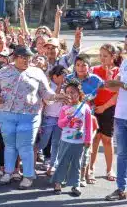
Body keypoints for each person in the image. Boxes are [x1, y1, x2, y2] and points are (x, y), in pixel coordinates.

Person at [0, 45, 68, 189]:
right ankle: (8, 172)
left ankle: (28, 175)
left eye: (29, 58)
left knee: (25, 146)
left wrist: (58, 96)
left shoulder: (37, 72)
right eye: (23, 57)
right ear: (15, 57)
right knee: (9, 145)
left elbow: (46, 93)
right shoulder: (4, 71)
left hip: (29, 115)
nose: (27, 60)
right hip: (6, 114)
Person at [66, 53, 104, 185]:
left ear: (89, 67)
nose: (81, 68)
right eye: (78, 65)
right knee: (71, 144)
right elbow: (65, 95)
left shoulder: (95, 79)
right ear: (74, 66)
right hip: (72, 117)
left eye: (84, 65)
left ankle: (85, 173)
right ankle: (70, 173)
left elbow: (105, 86)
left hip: (88, 117)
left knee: (87, 146)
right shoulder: (69, 78)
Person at [51, 80, 92, 197]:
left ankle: (76, 184)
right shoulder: (64, 108)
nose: (70, 95)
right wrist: (67, 119)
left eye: (73, 92)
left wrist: (88, 139)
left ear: (79, 93)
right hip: (65, 140)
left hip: (79, 141)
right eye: (68, 92)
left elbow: (88, 126)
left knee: (76, 163)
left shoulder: (85, 107)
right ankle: (58, 182)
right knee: (62, 161)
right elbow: (60, 124)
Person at [89, 44, 122, 181]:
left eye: (105, 56)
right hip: (94, 108)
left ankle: (109, 169)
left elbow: (117, 94)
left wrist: (104, 107)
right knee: (94, 139)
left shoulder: (118, 72)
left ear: (113, 57)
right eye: (100, 55)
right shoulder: (94, 70)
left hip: (109, 109)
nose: (102, 58)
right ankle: (90, 168)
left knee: (107, 140)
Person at [37, 65, 67, 176]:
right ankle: (33, 156)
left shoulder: (66, 87)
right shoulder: (48, 85)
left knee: (56, 142)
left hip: (60, 119)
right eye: (62, 76)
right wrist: (59, 87)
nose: (64, 78)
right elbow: (49, 100)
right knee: (43, 141)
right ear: (55, 76)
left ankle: (53, 165)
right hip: (48, 117)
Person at [104, 59, 127, 201]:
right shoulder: (125, 62)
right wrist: (109, 81)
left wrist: (121, 84)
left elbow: (121, 85)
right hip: (120, 116)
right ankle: (121, 189)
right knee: (122, 154)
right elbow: (115, 88)